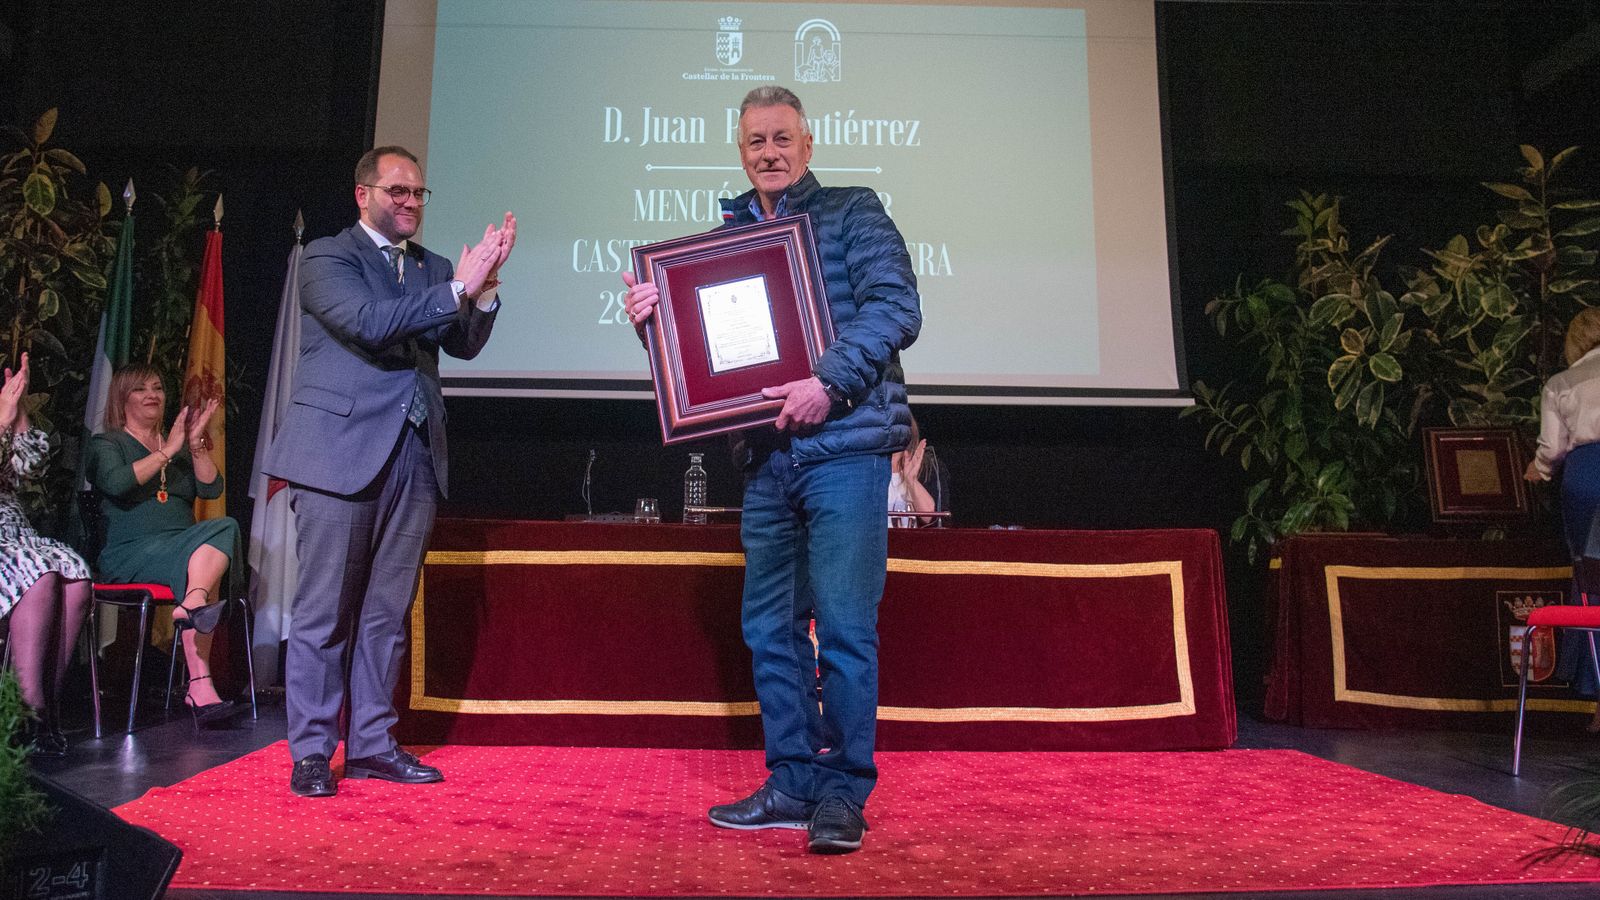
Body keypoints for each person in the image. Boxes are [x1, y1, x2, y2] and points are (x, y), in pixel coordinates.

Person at [623, 86, 921, 854]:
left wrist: (828, 384)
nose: (769, 152)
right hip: (765, 460)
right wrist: (659, 328)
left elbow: (896, 308)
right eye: (755, 141)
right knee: (771, 630)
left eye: (782, 138)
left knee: (847, 630)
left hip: (846, 449)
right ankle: (791, 781)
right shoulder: (723, 240)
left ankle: (843, 794)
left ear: (808, 144)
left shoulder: (855, 211)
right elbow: (705, 371)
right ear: (741, 151)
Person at [263, 145, 516, 798]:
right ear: (363, 194)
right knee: (324, 614)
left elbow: (458, 343)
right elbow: (371, 325)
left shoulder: (432, 267)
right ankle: (314, 752)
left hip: (414, 455)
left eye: (417, 194)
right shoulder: (326, 258)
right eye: (397, 191)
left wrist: (482, 291)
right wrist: (457, 287)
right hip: (336, 455)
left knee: (385, 614)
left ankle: (373, 743)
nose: (409, 203)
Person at [86, 362, 240, 725]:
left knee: (225, 526)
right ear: (123, 398)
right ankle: (200, 682)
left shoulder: (178, 445)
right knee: (205, 561)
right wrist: (168, 451)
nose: (153, 394)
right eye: (141, 389)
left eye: (157, 387)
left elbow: (210, 488)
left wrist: (196, 446)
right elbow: (117, 482)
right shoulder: (106, 444)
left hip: (180, 545)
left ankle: (193, 605)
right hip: (130, 552)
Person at [0, 354, 92, 756]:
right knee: (37, 572)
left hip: (12, 527)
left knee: (75, 573)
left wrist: (17, 413)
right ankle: (26, 711)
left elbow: (31, 468)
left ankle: (48, 710)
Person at [1526, 306, 1600, 728]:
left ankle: (1596, 699)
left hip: (1587, 477)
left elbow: (1552, 450)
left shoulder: (1563, 382)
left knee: (1592, 583)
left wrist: (1538, 469)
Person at [889, 415, 948, 528]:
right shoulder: (865, 468)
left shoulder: (928, 468)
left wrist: (912, 481)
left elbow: (934, 520)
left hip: (913, 544)